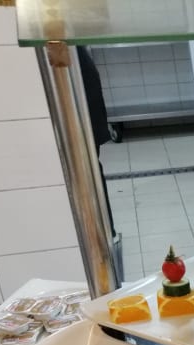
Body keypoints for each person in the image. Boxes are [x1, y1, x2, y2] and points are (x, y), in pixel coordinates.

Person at [76, 46, 117, 239]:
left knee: (90, 170)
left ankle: (105, 234)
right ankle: (105, 233)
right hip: (85, 111)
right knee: (90, 170)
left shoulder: (75, 54)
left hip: (84, 112)